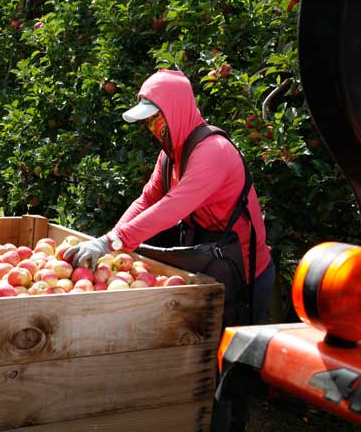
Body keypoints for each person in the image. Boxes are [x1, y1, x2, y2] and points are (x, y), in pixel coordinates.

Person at [64, 69, 275, 326]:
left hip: (245, 275)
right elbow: (146, 200)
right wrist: (107, 241)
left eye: (155, 119)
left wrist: (113, 242)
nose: (151, 128)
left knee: (235, 360)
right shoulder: (170, 156)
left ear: (174, 112)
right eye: (147, 121)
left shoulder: (213, 153)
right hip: (212, 264)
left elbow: (172, 207)